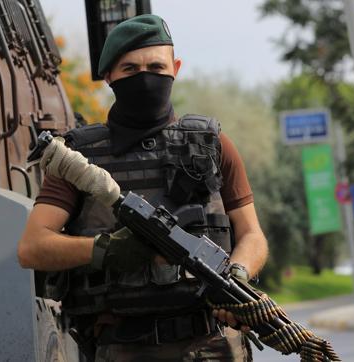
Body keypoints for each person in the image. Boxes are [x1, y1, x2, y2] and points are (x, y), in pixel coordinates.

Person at [18, 14, 268, 361]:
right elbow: (32, 247)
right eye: (130, 69)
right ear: (108, 76)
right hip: (123, 347)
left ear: (175, 68)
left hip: (212, 344)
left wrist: (236, 280)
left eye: (156, 65)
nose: (146, 76)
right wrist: (105, 250)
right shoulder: (78, 157)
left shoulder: (213, 144)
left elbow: (252, 236)